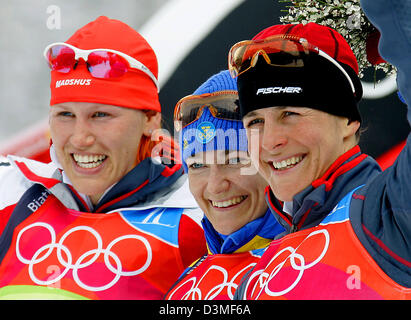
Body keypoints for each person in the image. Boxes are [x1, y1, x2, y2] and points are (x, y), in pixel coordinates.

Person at [0, 16, 206, 300]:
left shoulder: (203, 211)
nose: (80, 138)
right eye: (65, 115)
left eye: (101, 115)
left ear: (150, 120)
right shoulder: (11, 189)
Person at [229, 22, 411, 299]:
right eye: (254, 121)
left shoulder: (389, 211)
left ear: (348, 120)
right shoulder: (256, 277)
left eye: (290, 114)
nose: (269, 142)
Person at [165, 70, 284, 300]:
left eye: (235, 160)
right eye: (198, 165)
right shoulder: (185, 285)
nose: (216, 186)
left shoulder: (307, 260)